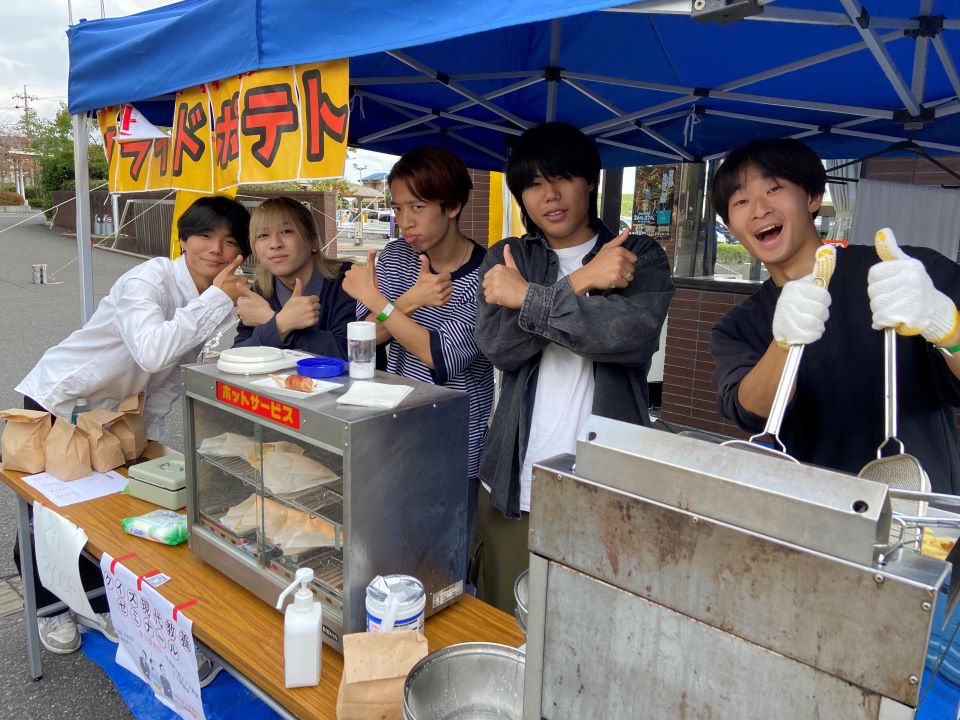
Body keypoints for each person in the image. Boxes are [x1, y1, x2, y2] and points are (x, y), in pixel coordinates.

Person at [15, 195, 250, 654]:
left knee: (99, 511)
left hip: (117, 415)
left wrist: (148, 434)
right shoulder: (147, 280)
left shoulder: (217, 299)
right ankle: (48, 607)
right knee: (46, 509)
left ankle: (95, 598)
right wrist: (217, 299)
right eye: (204, 236)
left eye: (229, 241)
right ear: (183, 240)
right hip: (62, 400)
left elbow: (172, 372)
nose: (216, 250)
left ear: (240, 252)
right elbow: (153, 351)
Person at [474, 122, 675, 611]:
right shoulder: (509, 256)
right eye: (533, 184)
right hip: (514, 479)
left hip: (607, 485)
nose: (550, 195)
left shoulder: (637, 256)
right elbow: (499, 347)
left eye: (562, 177)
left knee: (593, 619)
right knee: (507, 619)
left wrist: (527, 298)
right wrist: (583, 280)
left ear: (590, 180)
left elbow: (628, 337)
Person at [710, 138, 960, 494]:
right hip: (805, 508)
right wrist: (782, 345)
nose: (759, 209)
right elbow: (752, 410)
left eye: (774, 189)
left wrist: (945, 326)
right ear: (731, 227)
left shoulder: (904, 273)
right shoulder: (738, 326)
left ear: (813, 197)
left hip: (914, 509)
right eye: (741, 202)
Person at [342, 146, 494, 581]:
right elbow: (364, 341)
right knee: (392, 553)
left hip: (455, 443)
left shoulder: (486, 277)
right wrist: (408, 301)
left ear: (453, 206)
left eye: (418, 207)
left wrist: (376, 301)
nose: (404, 220)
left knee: (446, 564)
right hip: (395, 432)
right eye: (397, 208)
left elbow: (441, 357)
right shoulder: (394, 257)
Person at [233, 196, 354, 358]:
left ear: (313, 241)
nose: (275, 244)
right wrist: (280, 324)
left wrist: (272, 320)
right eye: (263, 235)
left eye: (286, 231)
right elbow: (238, 356)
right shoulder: (259, 293)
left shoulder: (348, 282)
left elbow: (350, 355)